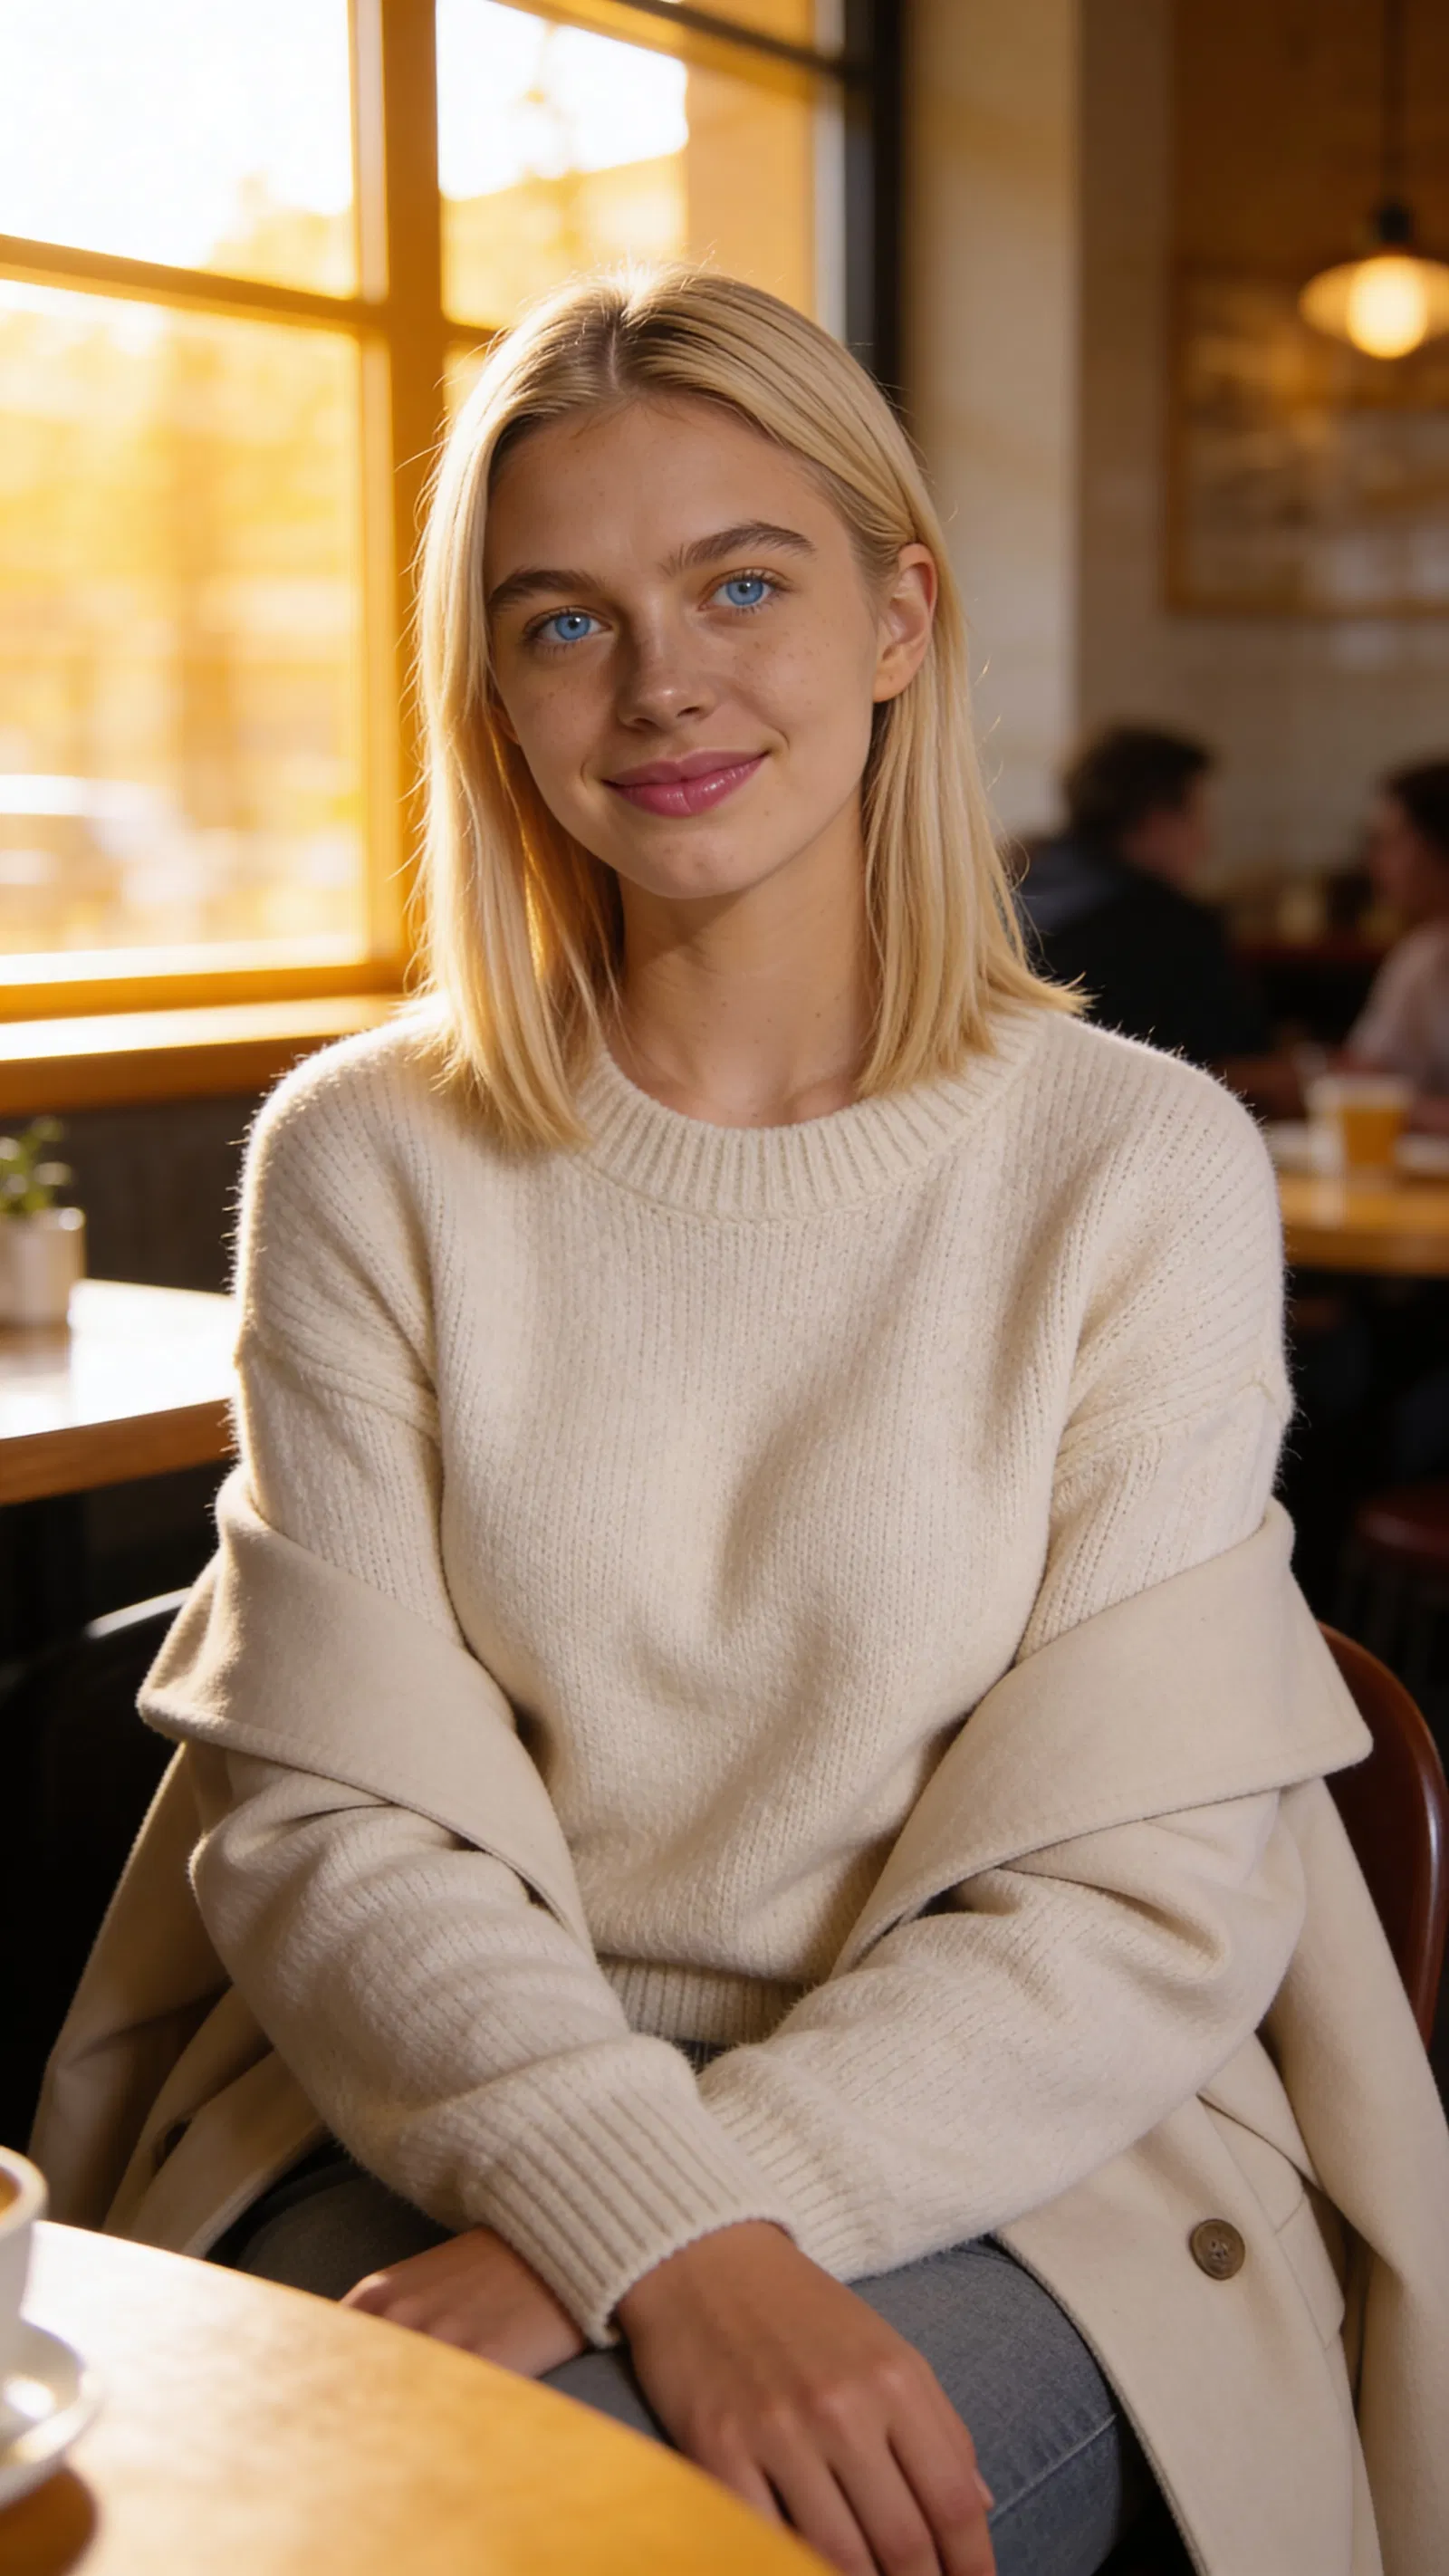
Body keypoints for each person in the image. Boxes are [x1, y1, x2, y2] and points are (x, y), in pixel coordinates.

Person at [33, 274, 1449, 2576]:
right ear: (491, 695)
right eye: (562, 622)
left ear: (898, 620)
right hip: (427, 2101)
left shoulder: (1132, 1164)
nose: (661, 681)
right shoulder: (367, 1156)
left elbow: (1129, 1890)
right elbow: (328, 1823)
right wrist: (640, 2214)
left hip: (1027, 2157)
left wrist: (686, 2225)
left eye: (742, 586)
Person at [1018, 726, 1298, 1110]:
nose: (1207, 844)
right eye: (1198, 818)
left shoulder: (1014, 890)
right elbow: (1238, 1071)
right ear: (1157, 821)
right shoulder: (1170, 926)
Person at [1345, 757, 1449, 1132]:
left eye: (1390, 843)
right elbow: (1363, 1079)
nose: (1374, 863)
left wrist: (1405, 1109)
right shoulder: (1425, 957)